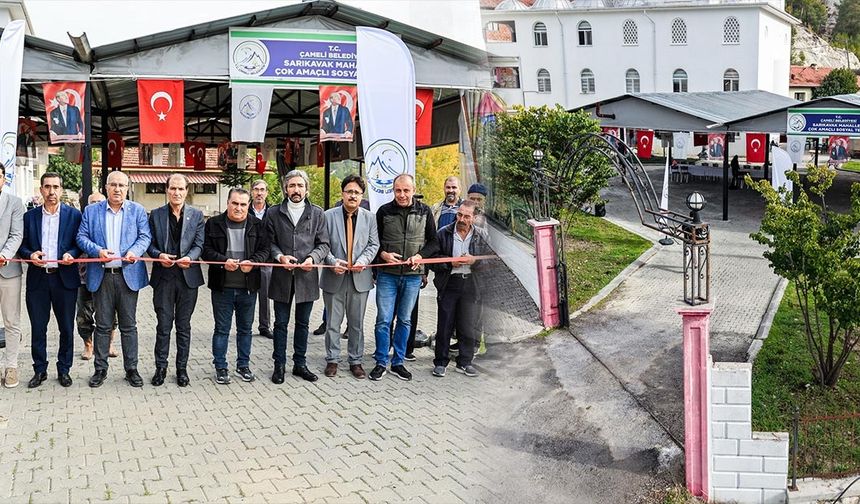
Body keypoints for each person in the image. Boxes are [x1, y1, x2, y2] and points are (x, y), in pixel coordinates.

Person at [76, 170, 151, 388]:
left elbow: (145, 236)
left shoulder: (137, 211)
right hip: (102, 276)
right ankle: (100, 370)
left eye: (122, 185)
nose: (118, 189)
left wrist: (135, 251)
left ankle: (131, 369)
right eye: (113, 184)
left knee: (129, 326)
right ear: (106, 187)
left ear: (127, 188)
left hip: (127, 276)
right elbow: (81, 237)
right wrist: (97, 250)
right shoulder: (91, 211)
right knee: (102, 325)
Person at [370, 174, 438, 382]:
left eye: (406, 190)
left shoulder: (424, 211)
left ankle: (398, 362)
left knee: (405, 320)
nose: (401, 194)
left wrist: (421, 256)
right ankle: (381, 361)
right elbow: (374, 241)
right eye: (398, 190)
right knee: (383, 320)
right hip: (387, 276)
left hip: (412, 276)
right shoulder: (384, 211)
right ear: (393, 190)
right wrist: (383, 254)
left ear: (413, 189)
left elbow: (434, 242)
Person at [266, 170, 330, 384]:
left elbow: (324, 244)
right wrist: (279, 256)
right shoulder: (274, 213)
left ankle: (300, 364)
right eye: (292, 185)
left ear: (306, 188)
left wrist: (313, 258)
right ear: (286, 189)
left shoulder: (318, 213)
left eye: (300, 186)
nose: (296, 190)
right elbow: (269, 242)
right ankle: (279, 365)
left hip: (307, 276)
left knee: (303, 323)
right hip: (281, 275)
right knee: (280, 323)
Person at [19, 172, 82, 388]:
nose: (51, 192)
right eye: (47, 187)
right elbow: (23, 245)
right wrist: (30, 255)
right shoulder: (30, 217)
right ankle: (40, 370)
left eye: (55, 187)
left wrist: (72, 254)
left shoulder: (74, 215)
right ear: (41, 190)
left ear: (61, 190)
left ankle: (64, 369)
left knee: (66, 327)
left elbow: (79, 243)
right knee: (38, 327)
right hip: (38, 280)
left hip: (64, 280)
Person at [202, 188, 270, 385]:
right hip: (222, 287)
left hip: (248, 288)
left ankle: (243, 365)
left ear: (248, 205)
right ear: (227, 203)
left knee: (245, 329)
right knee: (221, 329)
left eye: (242, 204)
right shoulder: (213, 224)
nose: (238, 208)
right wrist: (223, 261)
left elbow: (265, 250)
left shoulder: (258, 225)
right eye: (235, 203)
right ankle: (221, 367)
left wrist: (253, 262)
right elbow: (206, 251)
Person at [147, 174, 205, 387]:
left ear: (187, 191)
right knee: (163, 326)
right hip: (164, 277)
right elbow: (149, 244)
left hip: (187, 277)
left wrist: (190, 257)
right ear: (167, 190)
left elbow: (199, 244)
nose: (177, 193)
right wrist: (158, 255)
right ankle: (160, 368)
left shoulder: (197, 215)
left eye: (181, 189)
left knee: (184, 326)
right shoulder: (155, 215)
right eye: (173, 188)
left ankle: (182, 369)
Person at [320, 175, 379, 379]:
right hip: (334, 275)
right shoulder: (327, 216)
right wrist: (331, 261)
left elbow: (374, 244)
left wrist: (363, 261)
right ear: (342, 193)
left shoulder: (370, 218)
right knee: (333, 323)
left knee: (356, 323)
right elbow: (322, 244)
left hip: (359, 278)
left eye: (357, 192)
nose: (353, 195)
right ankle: (332, 360)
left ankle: (356, 361)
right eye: (349, 191)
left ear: (362, 196)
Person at [431, 200, 491, 378]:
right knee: (445, 325)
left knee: (468, 325)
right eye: (460, 214)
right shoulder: (444, 233)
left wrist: (475, 261)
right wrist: (450, 262)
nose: (462, 219)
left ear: (474, 217)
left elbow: (491, 261)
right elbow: (433, 259)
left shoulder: (481, 236)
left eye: (467, 216)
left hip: (472, 283)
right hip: (450, 283)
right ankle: (440, 363)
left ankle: (465, 362)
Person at [76, 192, 118, 361]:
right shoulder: (82, 222)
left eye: (100, 202)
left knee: (110, 313)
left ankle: (109, 344)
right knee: (84, 313)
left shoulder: (111, 222)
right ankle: (88, 344)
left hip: (107, 276)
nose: (96, 206)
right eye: (92, 203)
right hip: (84, 276)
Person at [0, 164, 24, 387]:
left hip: (7, 271)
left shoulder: (14, 203)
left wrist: (4, 255)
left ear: (3, 178)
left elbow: (17, 235)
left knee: (11, 321)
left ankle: (11, 367)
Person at [249, 179, 273, 339]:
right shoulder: (243, 208)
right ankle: (245, 325)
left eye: (262, 190)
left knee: (264, 295)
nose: (259, 193)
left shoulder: (272, 212)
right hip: (248, 258)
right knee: (247, 295)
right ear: (251, 191)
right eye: (256, 189)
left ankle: (264, 326)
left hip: (266, 259)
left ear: (267, 193)